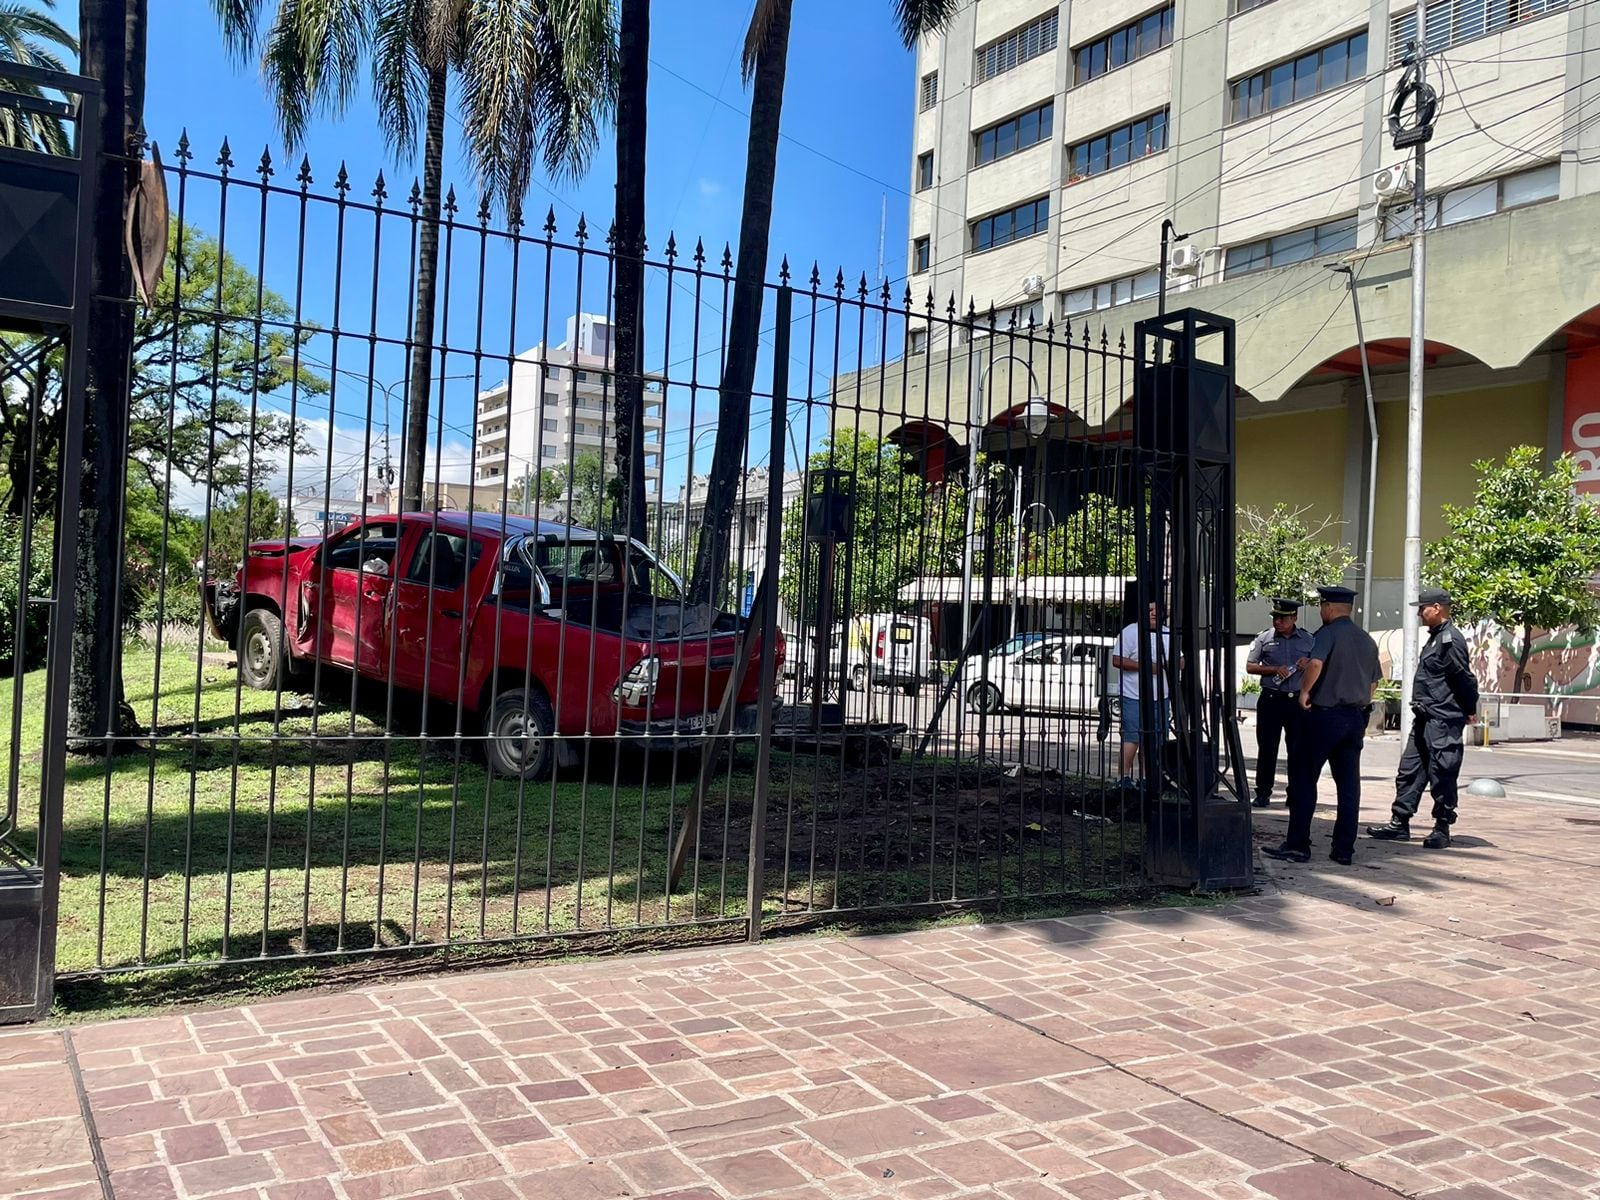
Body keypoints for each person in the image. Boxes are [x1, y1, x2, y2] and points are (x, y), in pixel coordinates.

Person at [1263, 585, 1381, 866]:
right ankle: (1343, 849)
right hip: (1354, 717)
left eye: (1321, 607)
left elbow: (1316, 664)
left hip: (1323, 716)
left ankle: (1298, 845)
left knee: (1304, 780)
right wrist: (1361, 700)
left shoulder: (1327, 633)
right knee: (1349, 786)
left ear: (1328, 608)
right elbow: (1374, 681)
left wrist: (1305, 692)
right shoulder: (1366, 639)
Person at [1368, 587, 1480, 849]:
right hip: (1424, 717)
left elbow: (1463, 678)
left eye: (1423, 608)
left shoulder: (1450, 640)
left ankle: (1442, 826)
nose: (1419, 613)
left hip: (1442, 719)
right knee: (1409, 771)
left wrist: (1469, 708)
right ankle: (1399, 823)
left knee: (1443, 772)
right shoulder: (1435, 638)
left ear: (1437, 608)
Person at [1245, 598, 1315, 808]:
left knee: (1297, 749)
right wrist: (1274, 669)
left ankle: (1294, 793)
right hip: (1272, 699)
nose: (1278, 622)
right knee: (1267, 748)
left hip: (1296, 700)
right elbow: (1250, 666)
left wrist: (1309, 663)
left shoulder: (1308, 639)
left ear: (1294, 617)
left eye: (1283, 618)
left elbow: (1320, 663)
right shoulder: (1263, 638)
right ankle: (1263, 792)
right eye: (1275, 618)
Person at [1112, 600, 1172, 790]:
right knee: (1132, 737)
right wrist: (1145, 667)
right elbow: (1117, 659)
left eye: (1157, 610)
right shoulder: (1131, 632)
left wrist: (1168, 664)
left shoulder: (1167, 633)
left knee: (1153, 738)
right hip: (1134, 695)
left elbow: (1180, 660)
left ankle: (1147, 778)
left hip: (1160, 695)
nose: (1154, 613)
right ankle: (1123, 778)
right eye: (1149, 610)